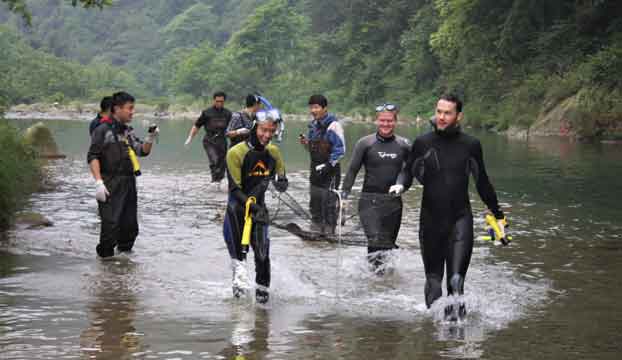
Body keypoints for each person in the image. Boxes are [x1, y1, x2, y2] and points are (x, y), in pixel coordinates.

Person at [392, 94, 507, 320]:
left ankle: (456, 338)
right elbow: (408, 170)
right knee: (434, 282)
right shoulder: (423, 142)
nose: (442, 117)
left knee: (456, 281)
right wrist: (400, 184)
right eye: (439, 111)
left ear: (458, 116)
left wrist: (498, 214)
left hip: (460, 220)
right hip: (430, 222)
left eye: (448, 113)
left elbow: (482, 182)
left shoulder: (471, 145)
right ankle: (433, 337)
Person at [223, 109, 288, 304]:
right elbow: (235, 190)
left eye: (272, 131)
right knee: (240, 261)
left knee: (262, 256)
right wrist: (253, 208)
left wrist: (281, 181)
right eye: (263, 130)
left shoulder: (274, 152)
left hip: (259, 212)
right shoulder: (236, 152)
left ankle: (262, 305)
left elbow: (282, 184)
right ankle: (240, 311)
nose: (267, 135)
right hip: (237, 212)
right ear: (254, 127)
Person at [87, 91, 159, 258]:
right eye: (130, 108)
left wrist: (150, 137)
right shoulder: (102, 130)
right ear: (117, 109)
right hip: (110, 182)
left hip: (129, 182)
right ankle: (105, 265)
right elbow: (93, 156)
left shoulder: (127, 131)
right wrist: (98, 182)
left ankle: (124, 267)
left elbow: (142, 151)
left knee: (129, 227)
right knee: (111, 226)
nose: (132, 112)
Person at [341, 104, 410, 272]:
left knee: (388, 246)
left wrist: (400, 184)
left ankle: (384, 286)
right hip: (368, 201)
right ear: (376, 121)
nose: (386, 124)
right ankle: (373, 282)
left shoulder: (404, 145)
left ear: (395, 122)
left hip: (393, 203)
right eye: (382, 120)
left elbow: (407, 172)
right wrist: (344, 196)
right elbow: (352, 171)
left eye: (389, 121)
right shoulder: (365, 143)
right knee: (375, 240)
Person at [299, 94, 345, 235]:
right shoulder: (313, 126)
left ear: (325, 108)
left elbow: (340, 149)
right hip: (315, 171)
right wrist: (306, 144)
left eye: (316, 107)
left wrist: (328, 166)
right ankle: (316, 237)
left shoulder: (334, 125)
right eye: (311, 107)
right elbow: (314, 149)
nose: (313, 110)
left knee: (329, 207)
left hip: (330, 172)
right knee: (315, 205)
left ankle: (330, 236)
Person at [184, 91, 232, 184]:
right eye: (217, 101)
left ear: (224, 101)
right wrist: (189, 138)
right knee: (214, 160)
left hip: (222, 141)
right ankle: (214, 182)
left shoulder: (228, 114)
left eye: (221, 101)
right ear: (213, 100)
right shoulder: (207, 113)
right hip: (209, 141)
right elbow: (197, 126)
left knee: (222, 164)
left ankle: (218, 181)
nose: (219, 103)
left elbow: (232, 128)